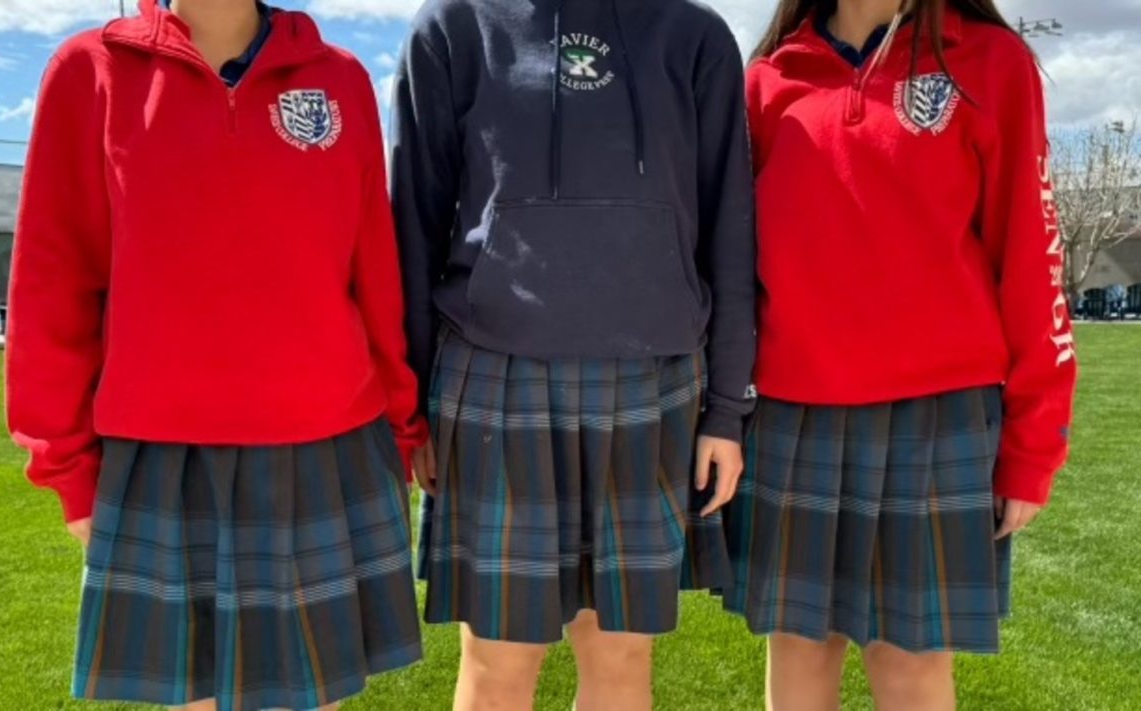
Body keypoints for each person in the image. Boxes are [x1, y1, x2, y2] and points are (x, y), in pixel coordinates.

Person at [6, 0, 428, 708]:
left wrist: (401, 429)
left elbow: (374, 273)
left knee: (313, 697)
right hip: (163, 456)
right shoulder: (90, 72)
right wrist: (68, 466)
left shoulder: (340, 77)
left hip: (327, 445)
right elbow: (52, 282)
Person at [392, 0, 757, 708]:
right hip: (493, 374)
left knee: (620, 650)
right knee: (498, 655)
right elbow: (412, 223)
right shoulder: (456, 27)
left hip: (655, 379)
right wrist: (411, 405)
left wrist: (727, 408)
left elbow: (731, 231)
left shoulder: (696, 36)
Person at [722, 0, 1078, 709]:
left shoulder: (989, 62)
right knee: (798, 654)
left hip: (939, 421)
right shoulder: (768, 78)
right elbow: (733, 268)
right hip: (792, 417)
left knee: (909, 665)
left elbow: (1032, 263)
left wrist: (1034, 445)